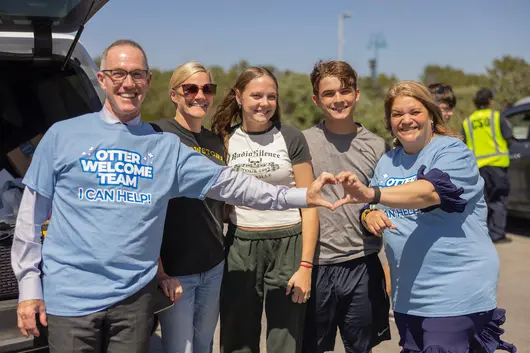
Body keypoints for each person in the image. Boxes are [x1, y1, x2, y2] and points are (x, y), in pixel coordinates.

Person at [10, 40, 342, 353]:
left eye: (137, 74)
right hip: (71, 300)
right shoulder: (63, 135)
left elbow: (234, 185)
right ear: (102, 79)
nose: (129, 83)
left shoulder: (165, 148)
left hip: (133, 300)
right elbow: (31, 216)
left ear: (148, 80)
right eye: (119, 74)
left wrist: (300, 196)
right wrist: (28, 288)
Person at [334, 81, 516, 353]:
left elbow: (429, 192)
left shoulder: (452, 151)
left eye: (415, 112)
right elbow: (375, 205)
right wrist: (369, 215)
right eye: (397, 114)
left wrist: (372, 195)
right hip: (409, 296)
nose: (406, 120)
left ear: (431, 114)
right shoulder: (388, 161)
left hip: (455, 290)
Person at [211, 67, 319, 353]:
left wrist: (305, 266)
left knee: (285, 338)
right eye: (256, 95)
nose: (264, 103)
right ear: (238, 96)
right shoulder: (223, 138)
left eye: (271, 96)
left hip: (288, 245)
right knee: (237, 338)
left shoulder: (292, 137)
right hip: (239, 245)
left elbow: (309, 203)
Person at [301, 60, 391, 353]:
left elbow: (385, 202)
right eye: (328, 94)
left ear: (357, 93)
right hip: (316, 266)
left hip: (362, 265)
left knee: (361, 348)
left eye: (345, 91)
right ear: (316, 99)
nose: (338, 99)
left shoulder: (377, 146)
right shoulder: (302, 143)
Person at [152, 61, 225, 353]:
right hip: (175, 269)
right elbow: (146, 209)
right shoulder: (158, 134)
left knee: (204, 345)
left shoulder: (216, 142)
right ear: (174, 94)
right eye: (190, 88)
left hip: (213, 264)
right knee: (179, 348)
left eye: (207, 89)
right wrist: (160, 273)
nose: (200, 95)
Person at [462, 88, 516, 243]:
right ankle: (497, 234)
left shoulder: (467, 122)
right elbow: (509, 138)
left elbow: (463, 145)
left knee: (481, 202)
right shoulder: (497, 117)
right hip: (497, 165)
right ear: (490, 101)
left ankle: (482, 235)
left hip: (476, 168)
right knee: (498, 199)